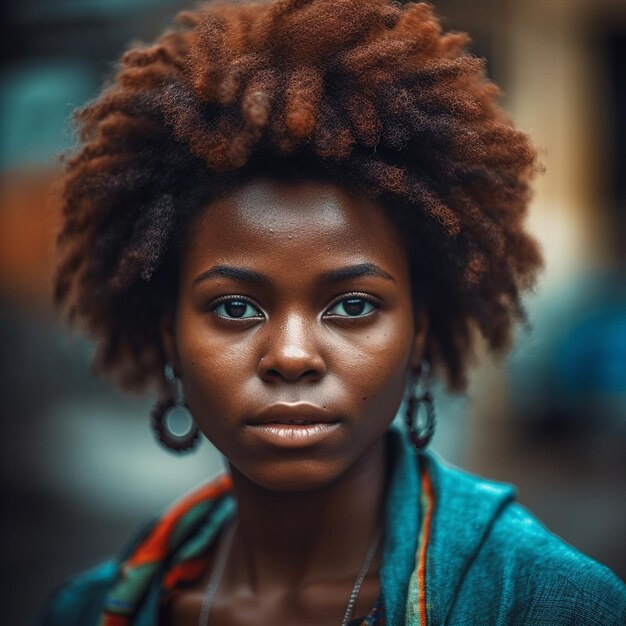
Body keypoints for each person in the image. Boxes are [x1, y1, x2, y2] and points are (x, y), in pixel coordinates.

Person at [36, 0, 625, 624]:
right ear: (168, 334)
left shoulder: (544, 603)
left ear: (419, 329)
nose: (291, 355)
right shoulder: (92, 609)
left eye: (352, 305)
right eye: (235, 307)